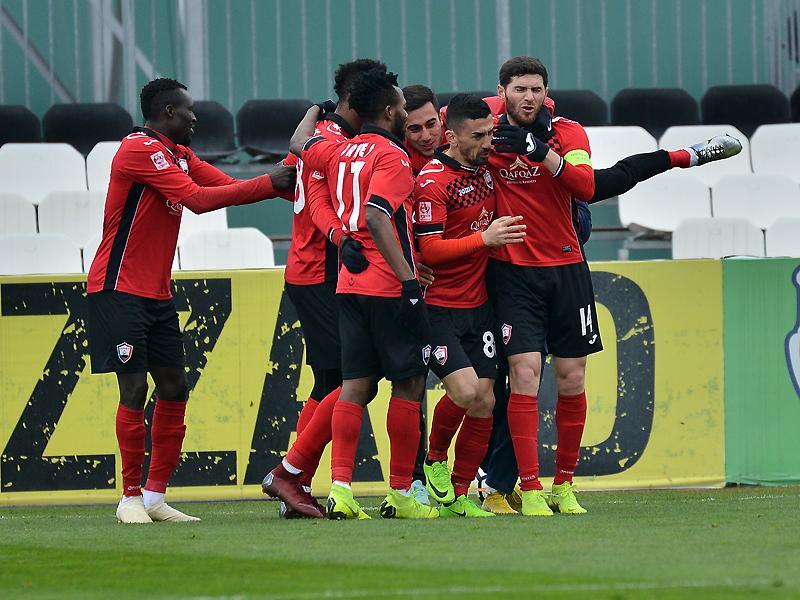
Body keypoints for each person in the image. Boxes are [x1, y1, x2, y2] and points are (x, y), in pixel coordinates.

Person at [86, 77, 295, 524]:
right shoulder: (139, 149)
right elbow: (198, 200)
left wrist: (286, 180)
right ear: (167, 112)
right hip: (117, 288)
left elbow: (227, 185)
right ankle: (129, 497)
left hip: (156, 293)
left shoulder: (179, 154)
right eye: (188, 109)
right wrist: (270, 181)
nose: (195, 117)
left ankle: (154, 498)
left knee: (174, 387)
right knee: (135, 388)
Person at [265, 69, 438, 520]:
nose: (407, 112)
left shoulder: (339, 149)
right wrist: (409, 283)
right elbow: (379, 215)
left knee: (354, 384)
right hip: (386, 283)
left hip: (347, 282)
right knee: (409, 384)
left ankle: (339, 490)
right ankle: (401, 492)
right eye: (403, 107)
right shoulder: (392, 156)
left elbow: (301, 146)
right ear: (389, 110)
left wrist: (341, 237)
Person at [275, 58, 387, 517]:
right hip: (322, 269)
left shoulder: (319, 135)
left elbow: (288, 179)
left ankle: (295, 480)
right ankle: (291, 475)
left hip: (312, 268)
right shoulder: (340, 144)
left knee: (331, 381)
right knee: (351, 380)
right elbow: (323, 198)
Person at [413, 94, 526, 517]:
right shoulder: (433, 180)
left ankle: (460, 496)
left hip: (479, 308)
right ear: (452, 137)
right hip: (438, 308)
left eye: (489, 133)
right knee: (464, 391)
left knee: (486, 401)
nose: (487, 143)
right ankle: (434, 459)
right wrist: (485, 239)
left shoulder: (487, 170)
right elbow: (430, 249)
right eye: (478, 136)